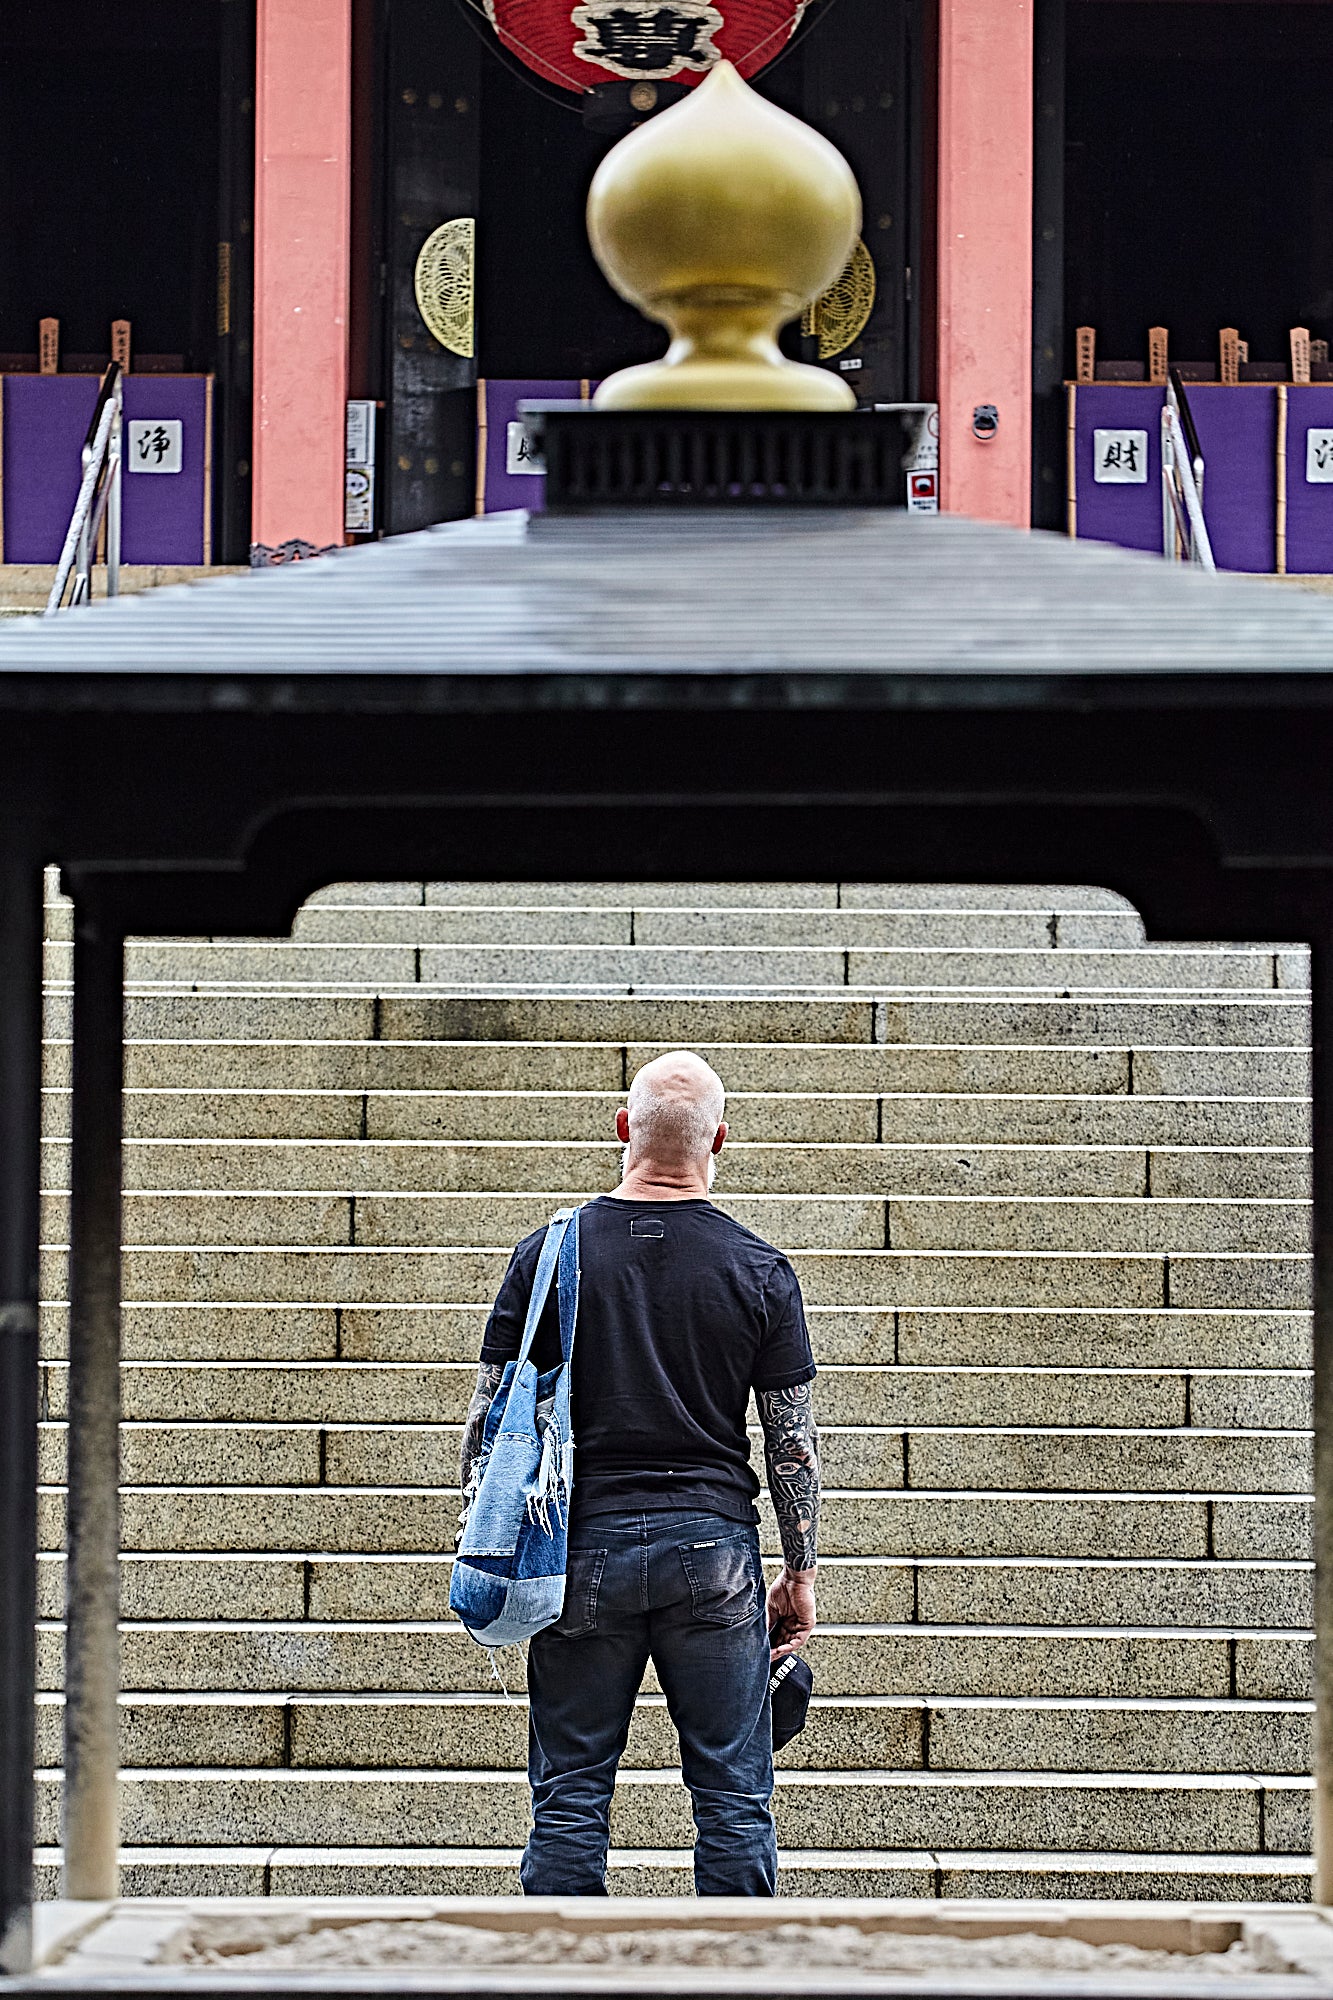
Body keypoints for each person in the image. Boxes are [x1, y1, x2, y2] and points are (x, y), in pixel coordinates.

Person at [459, 1050, 820, 1897]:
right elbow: (792, 1444)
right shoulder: (759, 1269)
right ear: (720, 1140)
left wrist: (486, 1543)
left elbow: (484, 1426)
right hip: (716, 1553)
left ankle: (561, 1989)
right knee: (734, 1795)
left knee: (570, 1794)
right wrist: (798, 1569)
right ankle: (737, 1989)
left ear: (623, 1129)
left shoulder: (546, 1256)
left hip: (581, 1549)